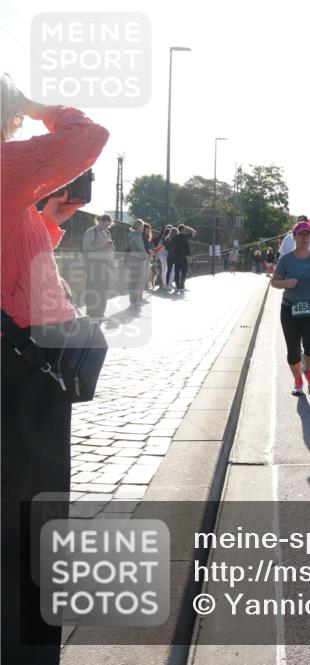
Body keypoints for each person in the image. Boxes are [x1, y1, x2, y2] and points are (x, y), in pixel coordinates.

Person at [1, 75, 109, 665]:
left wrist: (48, 215)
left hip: (19, 361)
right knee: (35, 515)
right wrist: (40, 107)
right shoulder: (4, 162)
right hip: (21, 373)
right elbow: (88, 135)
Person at [271, 221, 310, 396]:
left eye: (308, 235)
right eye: (301, 235)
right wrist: (285, 283)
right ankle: (297, 380)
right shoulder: (286, 259)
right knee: (293, 349)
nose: (305, 238)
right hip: (290, 309)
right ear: (294, 237)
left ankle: (309, 372)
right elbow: (274, 281)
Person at [81, 213, 115, 321]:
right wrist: (102, 246)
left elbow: (110, 247)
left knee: (104, 288)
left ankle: (100, 313)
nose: (106, 227)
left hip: (106, 264)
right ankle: (91, 313)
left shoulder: (107, 232)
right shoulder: (92, 231)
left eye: (108, 226)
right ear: (100, 221)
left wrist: (110, 246)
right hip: (95, 263)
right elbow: (85, 247)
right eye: (105, 225)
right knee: (94, 287)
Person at [125, 218, 151, 313]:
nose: (143, 228)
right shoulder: (137, 236)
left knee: (133, 281)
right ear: (139, 226)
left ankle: (133, 301)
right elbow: (141, 249)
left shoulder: (131, 235)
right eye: (142, 226)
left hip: (132, 258)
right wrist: (148, 256)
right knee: (137, 281)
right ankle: (134, 302)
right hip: (138, 259)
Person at [171, 224, 196, 292]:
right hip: (184, 257)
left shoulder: (174, 237)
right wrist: (187, 227)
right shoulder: (185, 236)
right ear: (184, 230)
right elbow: (194, 232)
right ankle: (182, 285)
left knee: (177, 272)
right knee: (184, 271)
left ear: (178, 229)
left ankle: (177, 286)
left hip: (176, 257)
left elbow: (172, 246)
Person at [154, 224, 173, 289]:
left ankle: (165, 284)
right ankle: (167, 284)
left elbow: (159, 248)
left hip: (163, 256)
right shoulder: (168, 239)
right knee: (169, 270)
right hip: (167, 255)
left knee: (165, 270)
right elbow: (160, 248)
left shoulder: (162, 239)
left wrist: (156, 257)